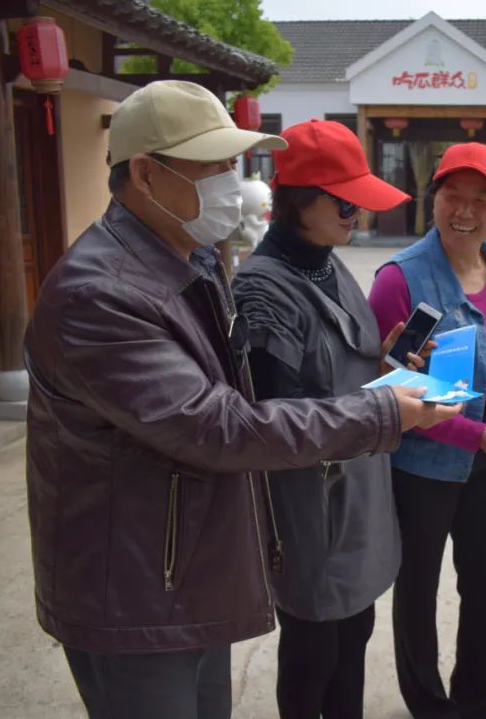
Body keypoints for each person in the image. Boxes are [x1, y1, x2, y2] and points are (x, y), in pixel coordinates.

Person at [23, 81, 460, 719]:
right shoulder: (101, 294)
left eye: (235, 164)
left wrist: (377, 373)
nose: (235, 183)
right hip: (134, 589)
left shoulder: (189, 261)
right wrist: (384, 409)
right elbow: (221, 426)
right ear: (146, 174)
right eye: (215, 165)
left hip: (190, 565)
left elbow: (234, 394)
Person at [231, 119, 418, 719]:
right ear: (297, 200)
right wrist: (382, 405)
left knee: (355, 632)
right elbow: (277, 418)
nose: (355, 214)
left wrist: (385, 365)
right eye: (343, 201)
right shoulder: (262, 290)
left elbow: (339, 368)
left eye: (359, 201)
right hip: (311, 500)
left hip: (358, 485)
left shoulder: (328, 262)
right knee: (313, 650)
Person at [368, 143, 486, 719]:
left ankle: (477, 696)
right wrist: (475, 435)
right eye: (452, 196)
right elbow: (391, 387)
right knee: (417, 592)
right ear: (433, 200)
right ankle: (428, 703)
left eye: (482, 200)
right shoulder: (399, 279)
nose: (465, 211)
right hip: (420, 466)